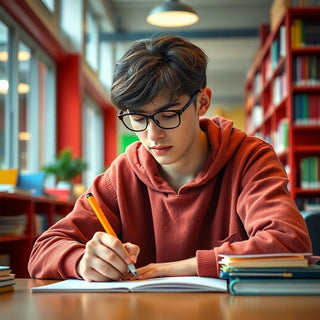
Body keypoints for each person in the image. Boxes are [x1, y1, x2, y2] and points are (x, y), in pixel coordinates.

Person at [28, 35, 316, 282]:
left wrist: (177, 269)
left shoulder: (250, 159)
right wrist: (81, 261)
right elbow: (43, 250)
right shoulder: (121, 175)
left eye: (168, 116)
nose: (153, 135)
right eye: (138, 119)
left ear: (202, 102)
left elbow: (290, 245)